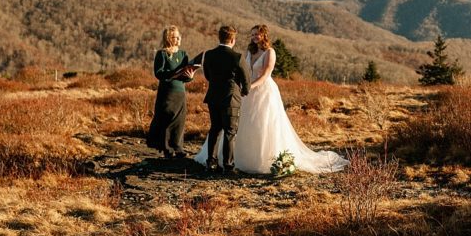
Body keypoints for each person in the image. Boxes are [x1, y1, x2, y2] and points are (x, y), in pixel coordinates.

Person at [195, 24, 347, 175]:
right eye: (252, 34)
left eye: (257, 34)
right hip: (245, 92)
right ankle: (233, 159)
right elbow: (243, 71)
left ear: (264, 35)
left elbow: (265, 75)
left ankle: (260, 158)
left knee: (262, 124)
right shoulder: (249, 51)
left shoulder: (270, 52)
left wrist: (248, 88)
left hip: (263, 91)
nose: (254, 37)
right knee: (238, 126)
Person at [196, 25, 249, 173]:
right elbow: (246, 80)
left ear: (219, 37)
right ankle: (228, 165)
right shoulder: (237, 57)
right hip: (231, 98)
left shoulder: (209, 55)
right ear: (233, 39)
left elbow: (207, 76)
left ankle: (211, 163)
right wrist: (244, 91)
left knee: (215, 130)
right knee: (230, 132)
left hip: (213, 97)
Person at [146, 25, 196, 158]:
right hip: (167, 92)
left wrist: (190, 77)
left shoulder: (183, 54)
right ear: (168, 38)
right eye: (174, 37)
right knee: (167, 119)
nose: (178, 38)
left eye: (178, 36)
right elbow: (158, 73)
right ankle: (167, 148)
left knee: (179, 120)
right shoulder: (162, 54)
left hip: (180, 92)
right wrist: (173, 73)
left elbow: (185, 77)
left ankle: (178, 147)